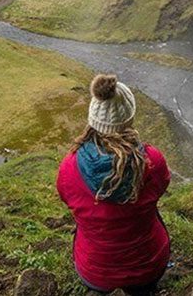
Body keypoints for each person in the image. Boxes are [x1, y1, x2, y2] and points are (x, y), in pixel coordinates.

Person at [57, 74, 171, 295]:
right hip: (149, 266)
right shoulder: (152, 161)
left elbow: (66, 198)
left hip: (94, 272)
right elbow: (162, 185)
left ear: (93, 119)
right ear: (129, 119)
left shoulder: (69, 167)